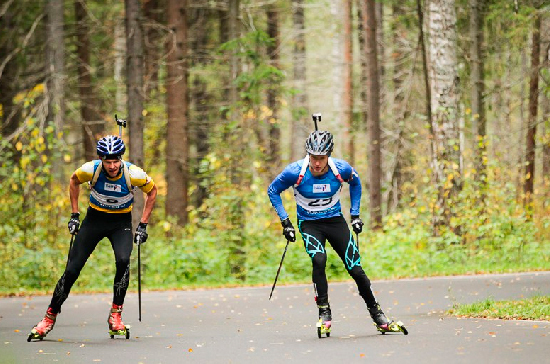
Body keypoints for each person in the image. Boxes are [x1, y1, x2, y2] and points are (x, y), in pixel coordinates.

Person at [29, 135, 157, 340]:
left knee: (124, 261)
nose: (113, 166)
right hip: (94, 221)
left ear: (121, 159)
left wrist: (142, 224)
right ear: (101, 159)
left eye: (116, 161)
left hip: (120, 224)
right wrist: (74, 215)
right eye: (108, 161)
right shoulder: (91, 169)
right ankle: (48, 318)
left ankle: (116, 316)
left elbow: (152, 191)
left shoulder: (133, 173)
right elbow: (73, 180)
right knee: (72, 270)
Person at [267, 130, 394, 334]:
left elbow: (356, 182)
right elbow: (273, 190)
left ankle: (377, 313)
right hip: (309, 223)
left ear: (329, 155)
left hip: (335, 221)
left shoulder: (340, 169)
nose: (317, 163)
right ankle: (324, 311)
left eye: (321, 158)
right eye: (313, 157)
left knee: (355, 269)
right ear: (308, 154)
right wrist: (286, 222)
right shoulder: (295, 172)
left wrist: (355, 215)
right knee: (319, 259)